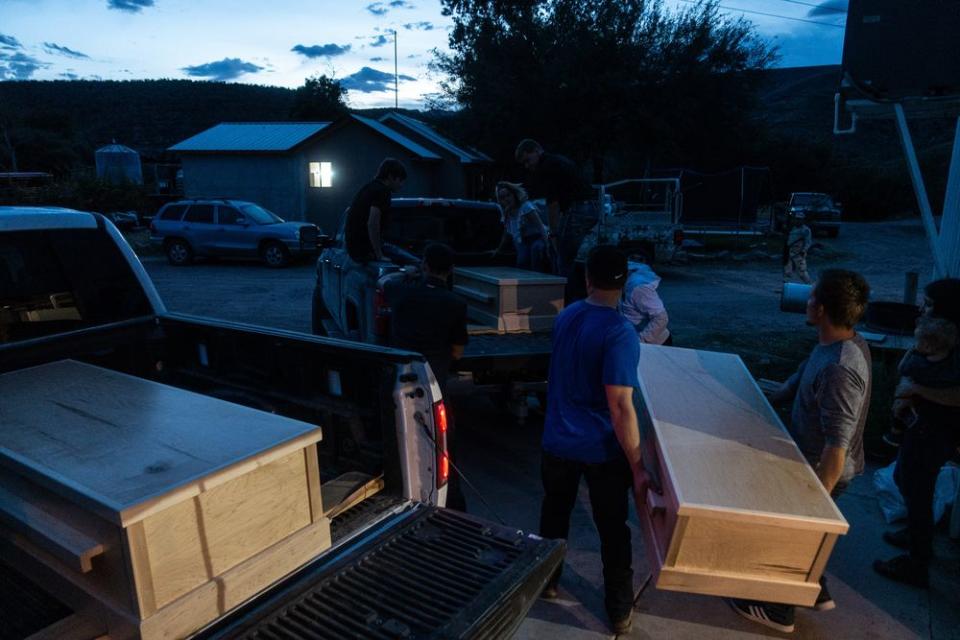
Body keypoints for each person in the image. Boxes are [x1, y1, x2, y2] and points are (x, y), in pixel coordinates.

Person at [731, 269, 871, 634]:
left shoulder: (841, 369)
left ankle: (778, 612)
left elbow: (836, 448)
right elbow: (803, 374)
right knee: (799, 540)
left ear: (821, 309)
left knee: (786, 535)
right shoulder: (838, 342)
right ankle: (816, 587)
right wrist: (767, 395)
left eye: (810, 297)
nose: (805, 302)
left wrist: (814, 507)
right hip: (808, 461)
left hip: (821, 469)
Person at [539, 245, 648, 635]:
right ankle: (618, 611)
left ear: (587, 279)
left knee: (554, 516)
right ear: (626, 282)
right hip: (599, 449)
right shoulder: (620, 332)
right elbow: (620, 406)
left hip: (557, 441)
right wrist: (637, 466)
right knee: (613, 531)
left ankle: (547, 582)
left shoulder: (566, 315)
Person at [874, 278, 960, 588]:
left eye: (930, 303)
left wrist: (917, 387)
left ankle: (917, 562)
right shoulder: (935, 333)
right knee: (905, 480)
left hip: (937, 428)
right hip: (920, 421)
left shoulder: (953, 343)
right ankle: (914, 530)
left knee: (917, 487)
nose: (922, 307)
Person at [382, 243, 469, 511]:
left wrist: (406, 273)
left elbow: (383, 281)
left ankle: (399, 496)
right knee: (443, 446)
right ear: (451, 270)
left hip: (397, 381)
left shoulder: (401, 292)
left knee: (396, 441)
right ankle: (451, 504)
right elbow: (457, 351)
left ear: (424, 266)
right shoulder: (455, 303)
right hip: (433, 383)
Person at [515, 139, 598, 278]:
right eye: (524, 163)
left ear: (536, 151)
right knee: (569, 255)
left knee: (561, 255)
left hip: (578, 209)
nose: (527, 165)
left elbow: (553, 203)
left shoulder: (547, 166)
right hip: (590, 207)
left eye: (528, 160)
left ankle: (561, 295)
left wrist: (552, 234)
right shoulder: (558, 161)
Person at [344, 158, 416, 265]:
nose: (401, 185)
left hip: (355, 250)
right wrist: (379, 254)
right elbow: (373, 223)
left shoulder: (369, 188)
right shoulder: (382, 191)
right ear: (391, 177)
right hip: (364, 251)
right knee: (417, 263)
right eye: (400, 180)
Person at [495, 181, 551, 272]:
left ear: (514, 195)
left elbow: (541, 228)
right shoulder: (507, 213)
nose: (506, 199)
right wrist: (499, 250)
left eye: (508, 195)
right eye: (502, 198)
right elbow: (507, 233)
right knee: (522, 261)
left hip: (538, 237)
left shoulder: (525, 207)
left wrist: (548, 245)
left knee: (536, 252)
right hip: (522, 240)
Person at [621, 257, 671, 345]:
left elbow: (661, 318)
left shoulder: (639, 288)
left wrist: (640, 341)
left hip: (655, 344)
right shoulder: (623, 281)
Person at [783, 212, 813, 284]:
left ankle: (810, 285)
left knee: (802, 272)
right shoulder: (792, 228)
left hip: (799, 253)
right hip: (789, 252)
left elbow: (808, 242)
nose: (797, 221)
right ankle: (786, 287)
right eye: (796, 219)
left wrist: (804, 250)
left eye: (799, 219)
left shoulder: (806, 230)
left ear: (803, 220)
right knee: (787, 271)